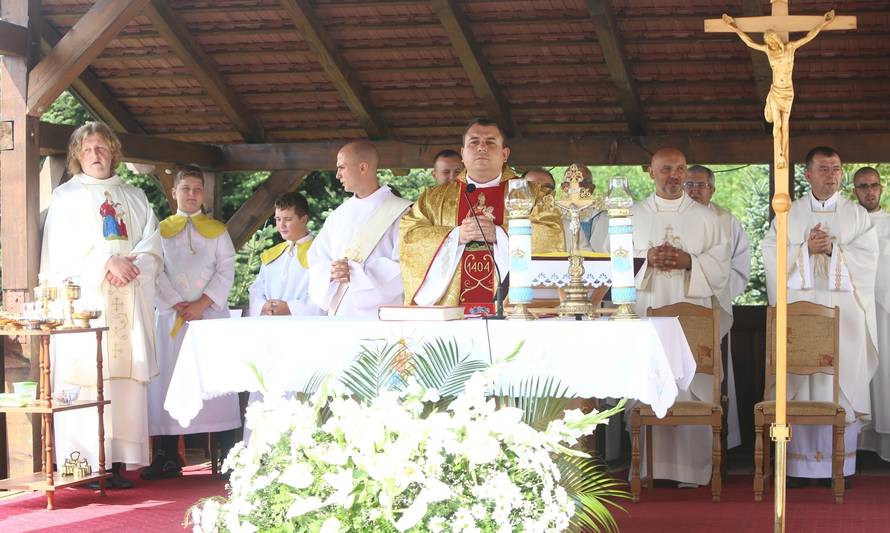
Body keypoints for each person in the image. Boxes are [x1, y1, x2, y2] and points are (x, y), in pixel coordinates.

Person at [41, 122, 162, 488]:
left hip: (128, 300)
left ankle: (119, 462)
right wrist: (106, 263)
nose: (96, 155)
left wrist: (133, 264)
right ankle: (87, 464)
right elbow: (61, 250)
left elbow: (153, 242)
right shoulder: (66, 197)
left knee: (122, 385)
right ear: (77, 155)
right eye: (88, 149)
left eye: (102, 148)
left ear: (113, 152)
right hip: (90, 304)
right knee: (91, 381)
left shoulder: (135, 196)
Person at [763, 147, 879, 487]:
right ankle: (798, 469)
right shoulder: (788, 212)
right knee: (798, 383)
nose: (832, 175)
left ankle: (839, 466)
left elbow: (868, 259)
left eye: (837, 168)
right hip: (799, 315)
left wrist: (832, 249)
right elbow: (770, 254)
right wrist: (803, 250)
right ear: (807, 174)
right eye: (824, 168)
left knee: (839, 385)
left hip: (845, 318)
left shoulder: (856, 215)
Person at [616, 148, 730, 487]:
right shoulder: (630, 215)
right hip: (646, 310)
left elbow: (721, 267)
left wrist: (690, 261)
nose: (675, 175)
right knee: (649, 380)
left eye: (680, 169)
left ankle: (693, 473)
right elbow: (613, 264)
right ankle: (648, 469)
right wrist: (645, 257)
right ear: (650, 171)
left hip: (690, 313)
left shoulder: (708, 218)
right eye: (666, 169)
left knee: (691, 383)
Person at [400, 119, 564, 313]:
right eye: (474, 142)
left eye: (491, 142)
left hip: (516, 312)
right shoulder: (432, 198)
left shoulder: (537, 195)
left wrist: (499, 234)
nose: (482, 147)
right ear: (462, 153)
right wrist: (456, 236)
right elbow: (409, 236)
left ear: (505, 154)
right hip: (451, 312)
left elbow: (552, 235)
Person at [141, 165, 241, 480]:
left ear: (203, 193)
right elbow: (153, 270)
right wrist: (176, 303)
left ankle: (227, 454)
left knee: (217, 384)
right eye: (185, 188)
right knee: (167, 383)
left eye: (197, 189)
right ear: (174, 192)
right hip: (173, 317)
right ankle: (167, 455)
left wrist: (201, 304)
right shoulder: (158, 231)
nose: (191, 194)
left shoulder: (218, 231)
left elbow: (226, 270)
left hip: (209, 318)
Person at [684, 164, 752, 451]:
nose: (694, 190)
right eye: (689, 184)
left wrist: (717, 291)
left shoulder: (726, 221)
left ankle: (714, 447)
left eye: (700, 185)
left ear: (712, 189)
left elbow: (741, 265)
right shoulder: (670, 217)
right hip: (670, 308)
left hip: (712, 306)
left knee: (710, 376)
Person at [308, 141, 411, 317]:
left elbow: (407, 265)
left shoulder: (403, 212)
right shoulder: (337, 216)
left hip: (383, 316)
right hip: (341, 314)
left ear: (363, 168)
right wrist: (331, 272)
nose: (338, 175)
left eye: (342, 167)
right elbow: (317, 259)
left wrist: (356, 274)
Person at [722, 10, 835, 169]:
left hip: (787, 92)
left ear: (776, 38)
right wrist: (733, 27)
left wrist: (824, 22)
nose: (772, 44)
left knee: (785, 125)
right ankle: (780, 154)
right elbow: (749, 42)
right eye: (769, 42)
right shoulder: (769, 51)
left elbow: (809, 36)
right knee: (778, 125)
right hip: (776, 90)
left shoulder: (790, 48)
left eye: (773, 40)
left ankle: (783, 152)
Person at [852, 167, 890, 462]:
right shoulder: (848, 223)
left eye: (874, 186)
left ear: (882, 189)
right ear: (854, 191)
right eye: (863, 186)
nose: (869, 191)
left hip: (885, 312)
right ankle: (856, 444)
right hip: (856, 312)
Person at [248, 192, 324, 318]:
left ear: (303, 219)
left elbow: (325, 294)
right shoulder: (272, 255)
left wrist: (290, 308)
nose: (281, 225)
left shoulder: (320, 252)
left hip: (305, 328)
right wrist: (263, 306)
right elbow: (257, 290)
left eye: (288, 219)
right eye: (278, 219)